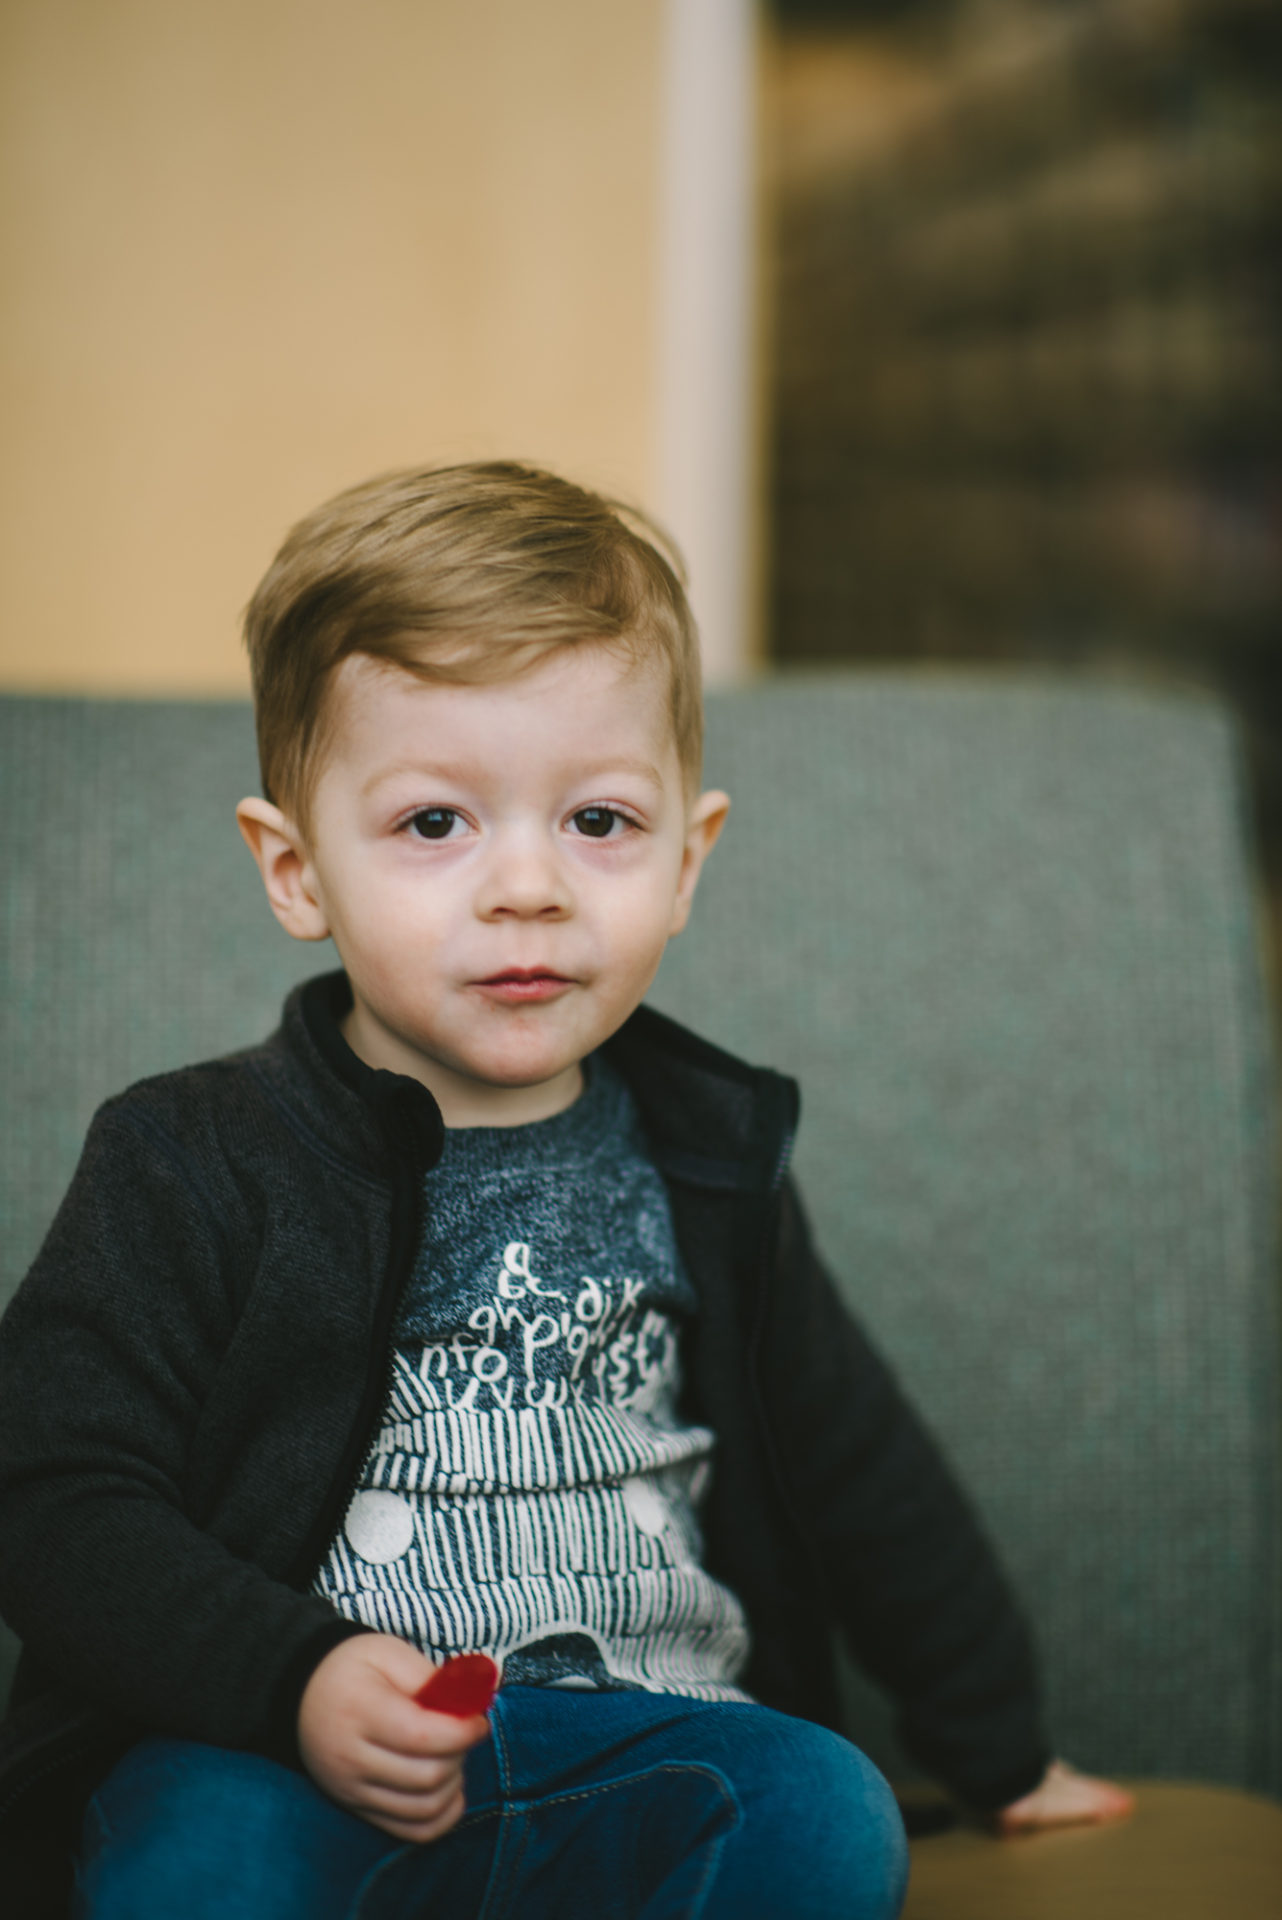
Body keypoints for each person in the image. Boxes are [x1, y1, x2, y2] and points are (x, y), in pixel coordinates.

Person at [0, 463, 1131, 1919]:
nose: (527, 886)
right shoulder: (194, 1155)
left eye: (597, 823)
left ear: (685, 859)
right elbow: (50, 1486)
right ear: (294, 869)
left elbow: (853, 1463)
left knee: (826, 1810)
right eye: (433, 825)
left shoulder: (703, 1161)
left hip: (639, 1749)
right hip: (282, 1752)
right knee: (193, 1857)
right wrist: (288, 1677)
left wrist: (1001, 1753)